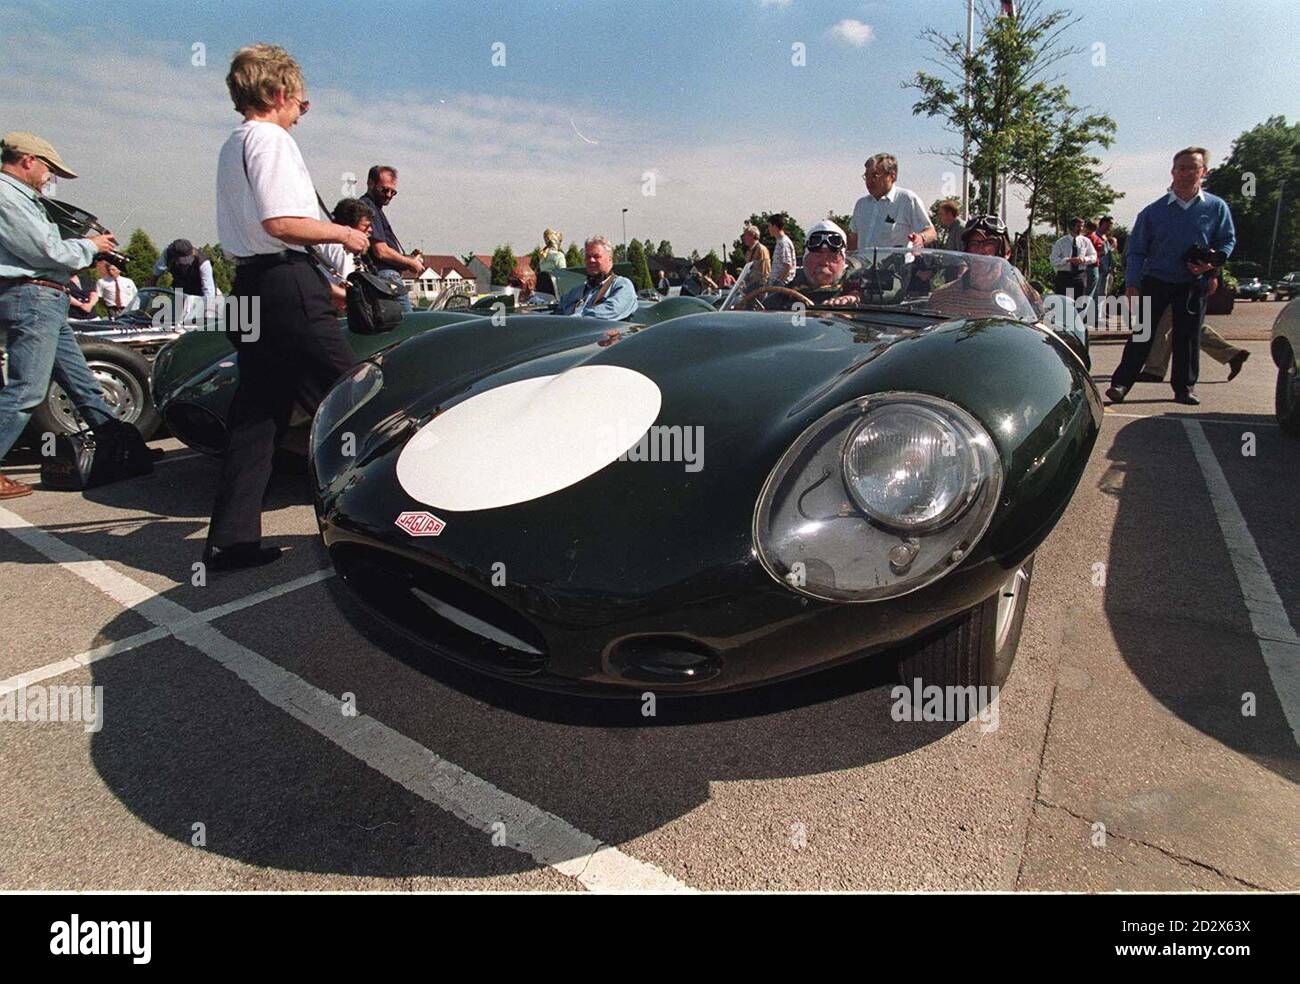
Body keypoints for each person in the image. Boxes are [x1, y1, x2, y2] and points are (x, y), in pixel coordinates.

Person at [206, 43, 370, 570]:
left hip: (247, 288)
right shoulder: (272, 140)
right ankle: (401, 523)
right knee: (361, 396)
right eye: (301, 100)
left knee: (257, 414)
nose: (305, 109)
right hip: (284, 283)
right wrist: (345, 234)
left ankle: (232, 540)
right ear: (278, 94)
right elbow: (282, 223)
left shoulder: (233, 144)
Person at [0, 130, 119, 499]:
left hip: (44, 298)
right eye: (49, 169)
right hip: (33, 296)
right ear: (28, 161)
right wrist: (89, 245)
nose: (50, 178)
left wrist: (86, 251)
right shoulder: (7, 195)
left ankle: (120, 448)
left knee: (82, 383)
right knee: (26, 391)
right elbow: (45, 251)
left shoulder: (22, 198)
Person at [1107, 146, 1236, 406]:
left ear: (1204, 172)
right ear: (1173, 172)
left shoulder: (1216, 207)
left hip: (1193, 283)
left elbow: (1226, 241)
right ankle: (1121, 384)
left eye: (1193, 168)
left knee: (1187, 337)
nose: (1187, 173)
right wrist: (1132, 285)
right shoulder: (1153, 212)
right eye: (1181, 168)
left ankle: (1184, 388)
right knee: (1142, 334)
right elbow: (1136, 251)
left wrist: (1211, 267)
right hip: (1156, 280)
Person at [925, 214, 1041, 321]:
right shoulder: (943, 297)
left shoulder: (1025, 298)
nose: (981, 250)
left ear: (1007, 253)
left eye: (989, 243)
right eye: (974, 244)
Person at [360, 165, 423, 312]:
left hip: (384, 277)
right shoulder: (368, 207)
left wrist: (407, 260)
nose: (388, 195)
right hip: (386, 277)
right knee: (409, 325)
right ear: (370, 183)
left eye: (393, 192)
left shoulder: (374, 208)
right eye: (385, 190)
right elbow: (380, 251)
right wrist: (410, 262)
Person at [751, 220, 851, 309]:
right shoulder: (784, 295)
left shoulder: (855, 290)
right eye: (817, 255)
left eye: (832, 256)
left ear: (843, 261)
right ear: (805, 259)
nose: (824, 262)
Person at [1137, 304, 1249, 383]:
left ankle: (1154, 369)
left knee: (1163, 324)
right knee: (1185, 326)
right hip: (1182, 283)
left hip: (1173, 283)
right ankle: (1232, 354)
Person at [848, 153, 936, 250]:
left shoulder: (907, 199)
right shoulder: (861, 204)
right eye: (866, 176)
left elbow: (931, 232)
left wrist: (921, 238)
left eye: (875, 176)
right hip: (864, 264)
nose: (869, 181)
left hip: (898, 264)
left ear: (892, 176)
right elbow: (854, 239)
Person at [555, 236, 636, 320]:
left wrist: (572, 320)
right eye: (588, 257)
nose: (591, 260)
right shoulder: (576, 292)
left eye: (596, 256)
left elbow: (610, 312)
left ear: (610, 260)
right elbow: (557, 312)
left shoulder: (622, 286)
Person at [317, 196, 375, 310]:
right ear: (350, 226)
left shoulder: (329, 243)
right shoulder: (341, 248)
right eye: (365, 226)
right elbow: (347, 285)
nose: (370, 230)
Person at [150, 238, 218, 324]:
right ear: (176, 258)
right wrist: (150, 296)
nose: (188, 261)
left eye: (190, 257)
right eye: (184, 259)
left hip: (201, 295)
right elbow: (154, 275)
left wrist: (208, 315)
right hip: (180, 291)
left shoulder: (204, 263)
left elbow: (209, 292)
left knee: (197, 321)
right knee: (171, 321)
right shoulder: (167, 254)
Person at [1049, 218, 1096, 298]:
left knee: (1079, 302)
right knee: (1064, 303)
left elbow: (1094, 256)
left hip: (1080, 276)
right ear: (1071, 227)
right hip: (1064, 276)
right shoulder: (1061, 242)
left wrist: (1084, 259)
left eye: (1082, 226)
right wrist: (1068, 260)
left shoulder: (1086, 241)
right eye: (1078, 226)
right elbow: (1053, 260)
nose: (1081, 229)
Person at [738, 222, 770, 295]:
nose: (744, 238)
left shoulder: (761, 249)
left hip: (759, 287)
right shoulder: (749, 251)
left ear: (752, 236)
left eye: (745, 235)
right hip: (751, 285)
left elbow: (764, 272)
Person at [768, 213, 795, 285]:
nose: (769, 229)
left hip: (782, 286)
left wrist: (778, 282)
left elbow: (787, 265)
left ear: (775, 226)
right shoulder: (779, 242)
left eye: (770, 226)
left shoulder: (784, 243)